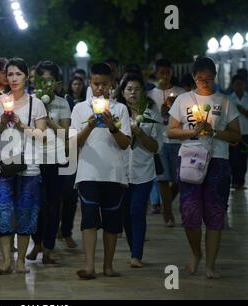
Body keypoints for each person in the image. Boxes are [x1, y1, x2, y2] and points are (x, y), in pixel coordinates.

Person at [167, 56, 240, 279]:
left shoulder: (225, 102)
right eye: (200, 79)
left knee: (215, 212)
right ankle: (196, 253)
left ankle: (210, 265)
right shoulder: (183, 100)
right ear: (193, 78)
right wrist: (192, 132)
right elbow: (171, 131)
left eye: (208, 79)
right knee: (189, 212)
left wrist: (215, 132)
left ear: (215, 77)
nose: (204, 83)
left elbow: (236, 136)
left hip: (217, 160)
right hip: (190, 158)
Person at [70, 63, 131, 279]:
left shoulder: (120, 109)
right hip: (88, 172)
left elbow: (125, 143)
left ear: (112, 84)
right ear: (90, 83)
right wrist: (90, 125)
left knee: (112, 222)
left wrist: (112, 126)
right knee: (88, 219)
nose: (100, 89)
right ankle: (89, 267)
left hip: (113, 173)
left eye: (105, 84)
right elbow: (74, 142)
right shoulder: (79, 109)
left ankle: (108, 265)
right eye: (96, 84)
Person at [0, 58, 47, 274]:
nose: (13, 79)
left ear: (26, 76)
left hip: (29, 165)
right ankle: (5, 260)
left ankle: (21, 260)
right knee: (2, 210)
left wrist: (22, 125)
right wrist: (1, 122)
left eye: (18, 74)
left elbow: (42, 136)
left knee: (26, 211)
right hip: (4, 165)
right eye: (10, 74)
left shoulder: (35, 103)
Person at [26, 60, 71, 264]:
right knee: (37, 204)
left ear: (57, 83)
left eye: (49, 81)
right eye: (41, 81)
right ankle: (37, 243)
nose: (45, 85)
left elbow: (66, 135)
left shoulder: (62, 103)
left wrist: (47, 116)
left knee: (53, 204)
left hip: (55, 159)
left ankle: (50, 247)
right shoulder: (29, 101)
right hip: (34, 159)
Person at [117, 73, 163, 268]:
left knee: (137, 210)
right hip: (121, 171)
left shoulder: (152, 114)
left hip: (143, 172)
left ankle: (137, 255)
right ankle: (133, 248)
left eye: (136, 89)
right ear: (122, 92)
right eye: (129, 89)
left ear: (143, 91)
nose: (133, 93)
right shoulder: (117, 113)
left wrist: (140, 133)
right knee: (126, 213)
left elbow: (155, 147)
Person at [147, 59, 186, 227]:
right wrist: (161, 112)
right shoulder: (149, 95)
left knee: (180, 178)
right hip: (160, 141)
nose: (165, 76)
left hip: (178, 140)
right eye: (161, 72)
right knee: (162, 178)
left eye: (168, 72)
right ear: (156, 74)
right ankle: (168, 214)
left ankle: (167, 202)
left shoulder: (181, 93)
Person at [228, 74, 248, 189]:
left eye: (241, 84)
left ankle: (241, 182)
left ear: (245, 85)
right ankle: (235, 181)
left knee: (243, 159)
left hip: (246, 134)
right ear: (233, 85)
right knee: (234, 159)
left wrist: (243, 110)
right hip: (233, 134)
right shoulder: (229, 99)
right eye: (237, 84)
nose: (239, 87)